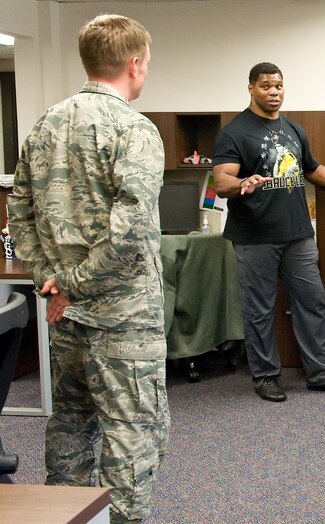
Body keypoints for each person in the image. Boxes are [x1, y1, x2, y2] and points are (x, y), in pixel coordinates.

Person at [7, 14, 167, 523]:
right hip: (122, 321)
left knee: (71, 424)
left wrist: (49, 281)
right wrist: (71, 284)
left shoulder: (44, 125)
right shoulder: (135, 129)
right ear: (135, 64)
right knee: (132, 433)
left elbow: (20, 211)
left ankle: (65, 518)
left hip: (65, 317)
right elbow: (131, 230)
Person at [213, 62, 325, 401]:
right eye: (266, 86)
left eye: (279, 86)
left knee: (313, 302)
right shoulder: (235, 131)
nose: (274, 92)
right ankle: (266, 376)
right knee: (259, 310)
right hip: (254, 238)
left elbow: (311, 168)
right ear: (251, 88)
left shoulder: (293, 129)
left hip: (297, 234)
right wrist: (242, 183)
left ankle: (320, 374)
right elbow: (221, 181)